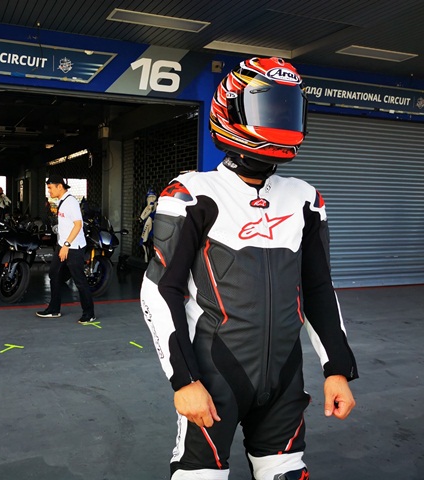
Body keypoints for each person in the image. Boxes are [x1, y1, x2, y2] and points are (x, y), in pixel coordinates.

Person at [140, 57, 358, 480]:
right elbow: (160, 289)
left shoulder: (305, 199)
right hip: (213, 378)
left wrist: (337, 370)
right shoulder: (192, 193)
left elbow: (318, 288)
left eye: (288, 109)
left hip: (284, 381)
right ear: (230, 112)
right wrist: (183, 380)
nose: (280, 119)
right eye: (268, 108)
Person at [36, 174, 95, 324]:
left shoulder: (71, 202)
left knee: (79, 280)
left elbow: (78, 225)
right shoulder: (62, 201)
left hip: (73, 247)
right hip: (62, 245)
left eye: (50, 188)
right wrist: (62, 245)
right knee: (54, 274)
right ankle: (54, 309)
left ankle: (89, 313)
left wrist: (67, 245)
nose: (49, 191)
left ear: (60, 186)